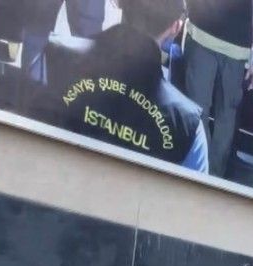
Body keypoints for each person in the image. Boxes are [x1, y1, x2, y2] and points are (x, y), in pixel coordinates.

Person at [52, 0, 210, 173]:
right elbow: (192, 189)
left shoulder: (54, 57)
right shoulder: (188, 126)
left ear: (119, 3)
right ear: (176, 28)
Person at [183, 0, 253, 177]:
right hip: (236, 49)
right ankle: (214, 176)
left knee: (197, 111)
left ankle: (198, 170)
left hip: (202, 34)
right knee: (226, 118)